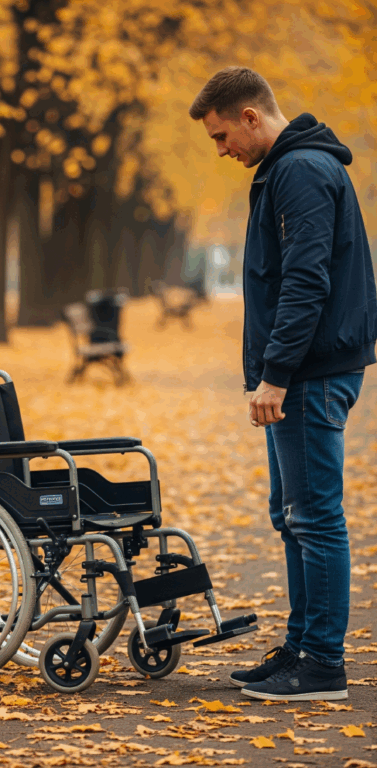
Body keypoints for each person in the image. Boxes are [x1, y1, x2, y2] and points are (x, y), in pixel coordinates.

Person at [189, 67, 377, 701]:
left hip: (309, 376)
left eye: (221, 136)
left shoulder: (299, 172)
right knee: (291, 515)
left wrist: (274, 375)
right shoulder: (288, 170)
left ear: (250, 116)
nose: (221, 151)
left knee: (314, 517)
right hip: (307, 373)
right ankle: (299, 647)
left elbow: (305, 282)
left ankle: (322, 665)